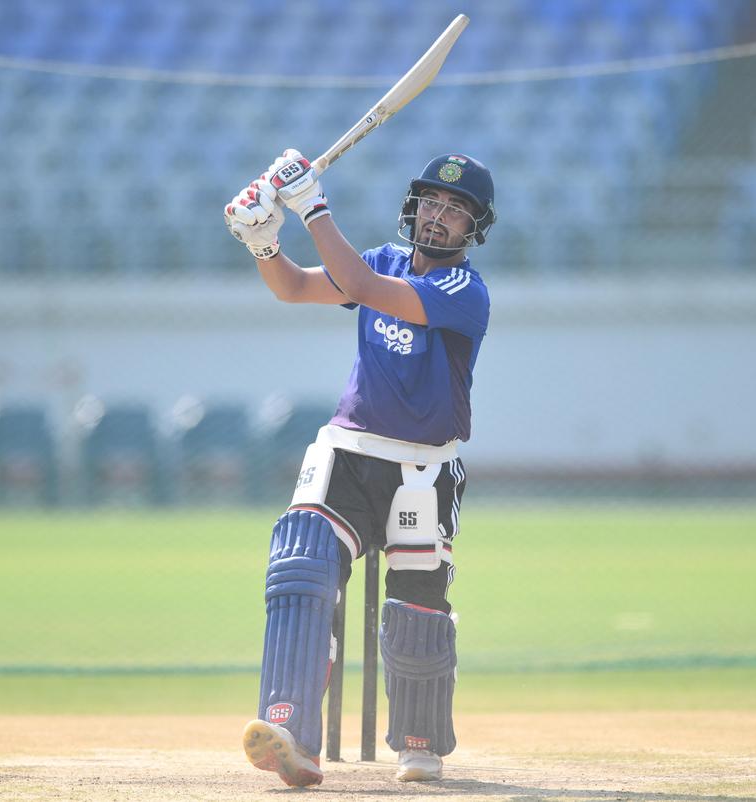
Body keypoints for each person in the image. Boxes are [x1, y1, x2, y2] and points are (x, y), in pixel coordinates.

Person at [223, 148, 497, 787]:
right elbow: (294, 287)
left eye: (456, 209)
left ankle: (419, 740)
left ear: (474, 227)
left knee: (417, 607)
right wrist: (263, 243)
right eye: (432, 200)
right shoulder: (380, 259)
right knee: (300, 568)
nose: (438, 215)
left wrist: (311, 207)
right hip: (348, 453)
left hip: (424, 470)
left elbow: (367, 291)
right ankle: (291, 732)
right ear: (413, 205)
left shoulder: (465, 291)